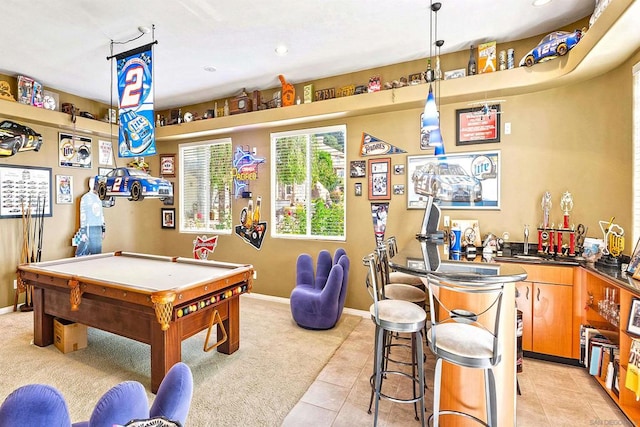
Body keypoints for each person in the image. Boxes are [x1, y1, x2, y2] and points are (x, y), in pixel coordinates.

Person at [75, 177, 105, 256]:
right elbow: (83, 216)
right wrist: (83, 232)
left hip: (98, 227)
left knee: (97, 253)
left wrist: (103, 229)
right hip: (89, 227)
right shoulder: (86, 198)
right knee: (86, 252)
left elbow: (101, 214)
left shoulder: (99, 198)